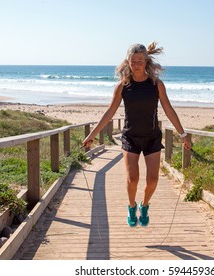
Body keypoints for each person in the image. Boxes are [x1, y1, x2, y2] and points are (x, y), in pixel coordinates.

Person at [82, 42, 192, 227]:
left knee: (153, 180)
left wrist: (183, 134)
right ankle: (132, 206)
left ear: (146, 61)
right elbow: (109, 112)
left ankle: (145, 205)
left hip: (152, 137)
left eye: (140, 60)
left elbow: (168, 109)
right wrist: (91, 135)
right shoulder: (122, 86)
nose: (136, 64)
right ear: (128, 62)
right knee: (133, 178)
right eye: (133, 61)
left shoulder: (156, 84)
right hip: (131, 137)